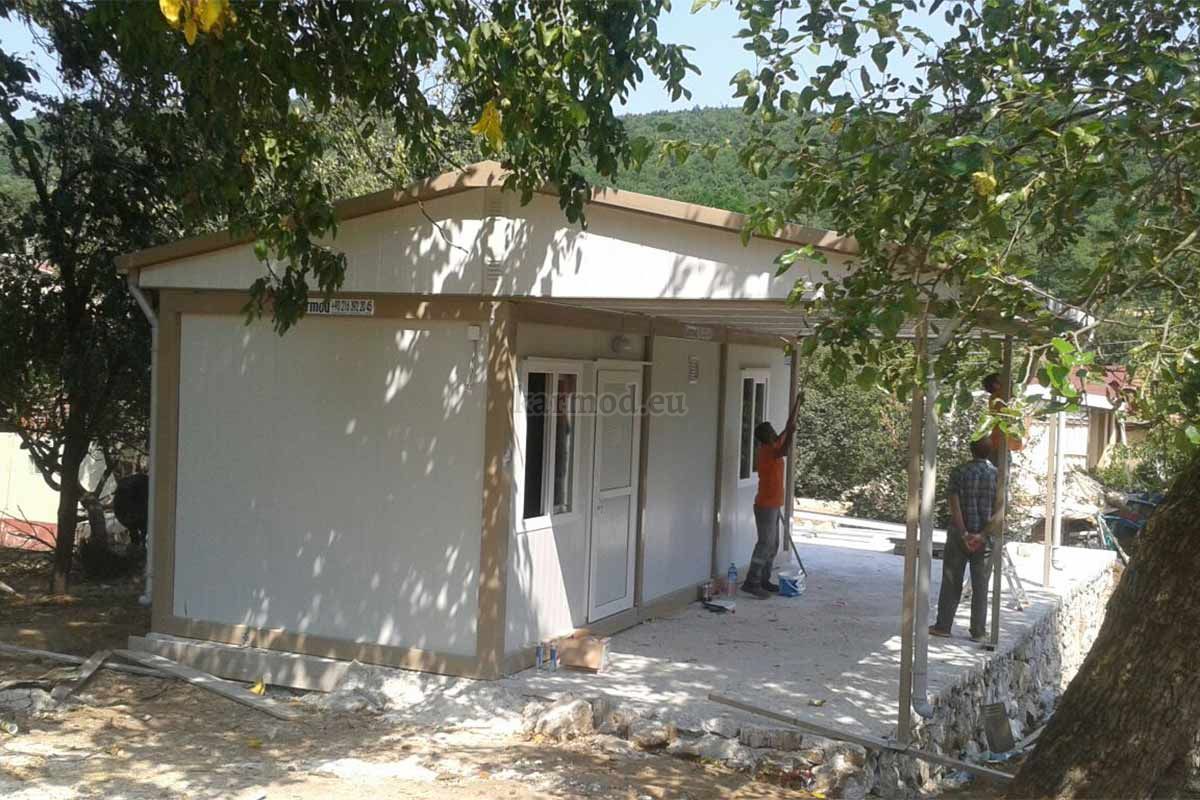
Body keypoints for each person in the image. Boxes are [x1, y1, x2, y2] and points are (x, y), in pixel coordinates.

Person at [930, 436, 998, 641]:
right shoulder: (997, 475)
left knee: (952, 581)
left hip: (958, 536)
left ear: (971, 450)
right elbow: (1001, 510)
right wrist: (982, 535)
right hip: (985, 539)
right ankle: (978, 631)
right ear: (990, 451)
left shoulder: (959, 472)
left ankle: (943, 626)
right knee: (981, 585)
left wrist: (964, 533)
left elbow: (955, 505)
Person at [742, 390, 804, 599]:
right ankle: (751, 582)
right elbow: (785, 448)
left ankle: (763, 580)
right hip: (765, 505)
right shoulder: (767, 451)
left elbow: (788, 426)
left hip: (772, 504)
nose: (775, 432)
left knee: (773, 545)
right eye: (771, 431)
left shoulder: (773, 443)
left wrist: (797, 403)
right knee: (765, 544)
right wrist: (791, 434)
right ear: (766, 437)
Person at [982, 372, 1023, 467]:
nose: (1008, 381)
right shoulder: (998, 397)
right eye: (1002, 380)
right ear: (995, 385)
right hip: (1000, 446)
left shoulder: (998, 397)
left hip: (1000, 445)